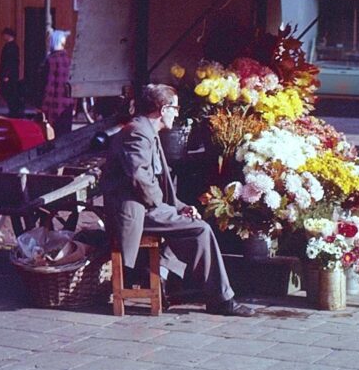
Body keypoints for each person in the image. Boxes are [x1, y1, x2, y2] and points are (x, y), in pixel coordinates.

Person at [99, 83, 253, 317]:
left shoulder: (147, 131)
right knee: (200, 230)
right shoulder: (138, 132)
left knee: (189, 224)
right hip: (133, 212)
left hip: (145, 206)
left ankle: (164, 277)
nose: (177, 113)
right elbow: (139, 178)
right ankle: (221, 299)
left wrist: (180, 207)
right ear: (163, 109)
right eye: (175, 108)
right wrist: (164, 206)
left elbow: (159, 185)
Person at [40, 29, 74, 136]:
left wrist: (44, 108)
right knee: (66, 136)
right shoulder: (69, 60)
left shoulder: (51, 60)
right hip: (68, 105)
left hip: (55, 106)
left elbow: (49, 86)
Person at [0, 27, 23, 116]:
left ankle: (14, 110)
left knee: (9, 92)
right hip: (11, 74)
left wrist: (6, 75)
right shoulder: (12, 46)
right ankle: (13, 109)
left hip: (9, 75)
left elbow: (9, 62)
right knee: (9, 92)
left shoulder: (10, 47)